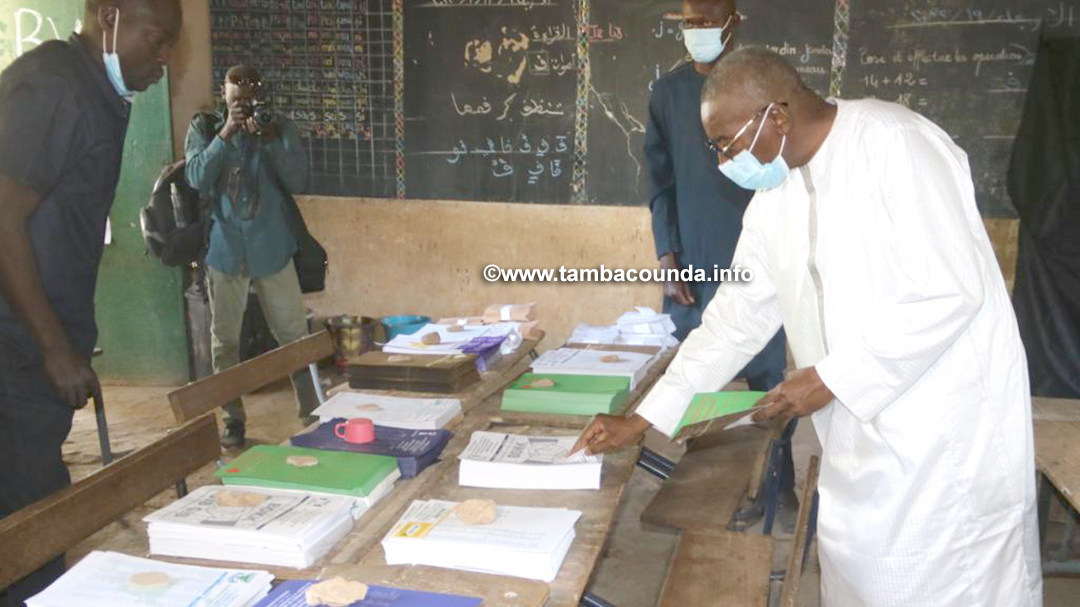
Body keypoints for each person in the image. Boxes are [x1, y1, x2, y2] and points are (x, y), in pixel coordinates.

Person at [575, 48, 1042, 605]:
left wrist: (831, 377)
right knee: (867, 581)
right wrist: (645, 417)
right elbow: (734, 321)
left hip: (944, 439)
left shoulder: (896, 143)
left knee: (949, 584)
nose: (723, 161)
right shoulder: (776, 195)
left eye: (725, 144)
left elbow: (949, 288)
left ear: (776, 116)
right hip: (859, 439)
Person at [0, 0, 181, 603]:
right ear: (109, 17)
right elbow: (2, 219)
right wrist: (54, 349)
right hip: (14, 346)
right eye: (156, 39)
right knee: (32, 519)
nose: (164, 58)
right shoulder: (52, 88)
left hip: (38, 336)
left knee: (34, 505)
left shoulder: (96, 89)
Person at [646, 0, 793, 516]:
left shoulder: (762, 86)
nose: (697, 31)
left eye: (707, 19)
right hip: (697, 257)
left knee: (768, 381)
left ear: (734, 22)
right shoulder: (667, 95)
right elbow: (659, 183)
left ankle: (779, 485)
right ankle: (700, 490)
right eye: (688, 22)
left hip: (760, 256)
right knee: (696, 374)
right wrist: (669, 255)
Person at [185, 65, 316, 448]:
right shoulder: (205, 127)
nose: (244, 103)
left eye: (251, 95)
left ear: (264, 93)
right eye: (236, 96)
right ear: (223, 93)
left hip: (272, 248)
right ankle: (232, 418)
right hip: (226, 249)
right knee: (225, 340)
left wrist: (272, 139)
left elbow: (297, 180)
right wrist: (226, 133)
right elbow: (195, 177)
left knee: (294, 336)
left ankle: (312, 412)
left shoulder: (277, 126)